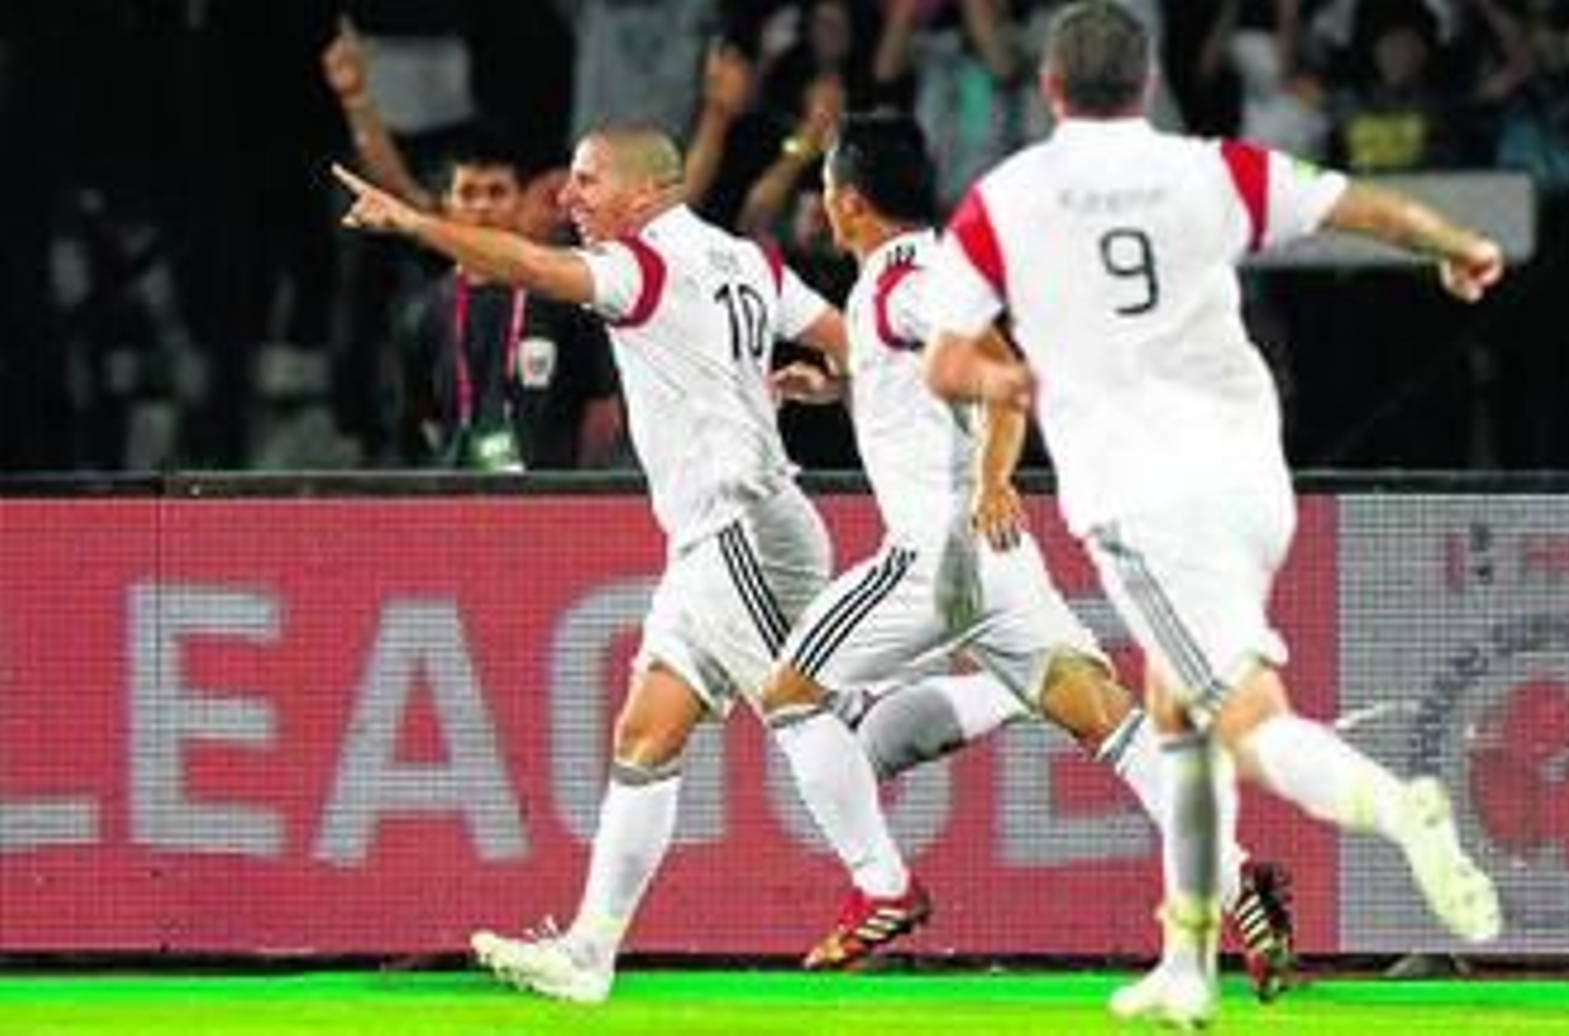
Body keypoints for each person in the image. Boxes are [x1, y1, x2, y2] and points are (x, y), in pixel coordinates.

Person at [920, 3, 1504, 1027]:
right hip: (1248, 480)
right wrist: (1453, 241)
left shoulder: (1005, 199)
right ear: (1144, 86)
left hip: (1146, 501)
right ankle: (1185, 961)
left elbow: (944, 360)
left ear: (1051, 90)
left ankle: (1399, 811)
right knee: (1173, 711)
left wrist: (1009, 380)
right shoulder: (1208, 168)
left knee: (1241, 718)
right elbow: (1351, 204)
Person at [757, 109, 1296, 996]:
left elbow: (1006, 378)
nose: (821, 203)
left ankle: (882, 890)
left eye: (825, 188)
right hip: (997, 570)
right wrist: (839, 383)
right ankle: (1237, 882)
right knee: (1107, 721)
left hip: (936, 556)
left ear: (849, 201)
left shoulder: (903, 282)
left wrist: (993, 483)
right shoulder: (904, 283)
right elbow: (922, 370)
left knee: (787, 695)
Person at [335, 124, 847, 1003]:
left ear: (645, 193)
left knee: (834, 718)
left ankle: (921, 824)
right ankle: (588, 952)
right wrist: (830, 382)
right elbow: (847, 338)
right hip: (723, 531)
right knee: (645, 737)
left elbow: (528, 269)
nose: (569, 198)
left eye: (586, 181)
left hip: (739, 532)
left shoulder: (638, 267)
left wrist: (415, 223)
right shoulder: (747, 258)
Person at [323, 19, 622, 470]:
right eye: (468, 193)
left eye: (497, 192)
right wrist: (357, 99)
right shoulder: (425, 309)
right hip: (460, 506)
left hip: (553, 504)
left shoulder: (564, 293)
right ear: (447, 205)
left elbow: (603, 415)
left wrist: (567, 487)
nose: (481, 207)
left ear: (523, 203)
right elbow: (397, 188)